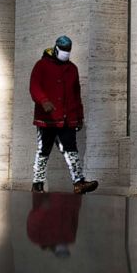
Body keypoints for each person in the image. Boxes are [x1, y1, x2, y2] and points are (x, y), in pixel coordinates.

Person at [29, 35, 98, 195]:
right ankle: (37, 183)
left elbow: (76, 94)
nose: (66, 53)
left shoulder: (72, 68)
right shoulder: (41, 65)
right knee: (43, 150)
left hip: (67, 118)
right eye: (63, 50)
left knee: (71, 150)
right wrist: (44, 100)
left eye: (69, 50)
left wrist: (79, 116)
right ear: (56, 48)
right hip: (47, 119)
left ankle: (79, 182)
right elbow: (34, 86)